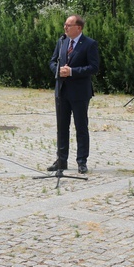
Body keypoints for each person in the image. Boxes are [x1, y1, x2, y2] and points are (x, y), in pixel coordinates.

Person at [47, 15, 100, 174]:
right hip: (62, 91)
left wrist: (72, 72)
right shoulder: (62, 41)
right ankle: (61, 160)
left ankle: (82, 161)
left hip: (79, 93)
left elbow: (94, 67)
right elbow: (52, 61)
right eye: (65, 25)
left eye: (68, 25)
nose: (65, 27)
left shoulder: (89, 44)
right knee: (62, 127)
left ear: (78, 28)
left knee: (81, 127)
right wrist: (58, 70)